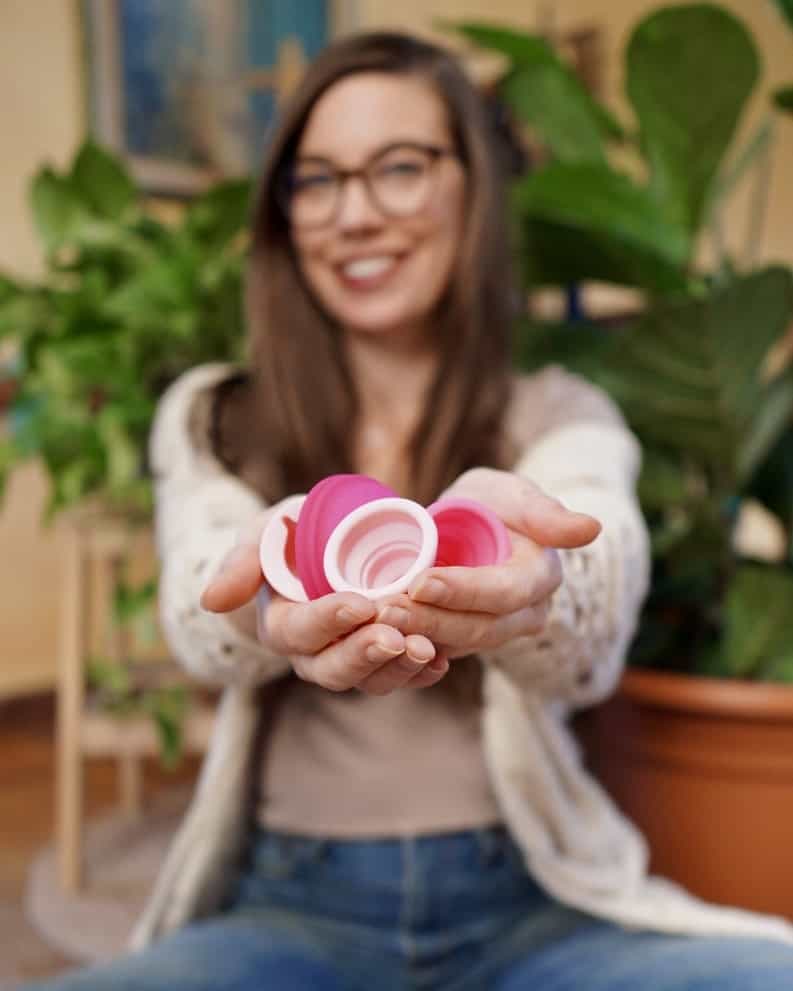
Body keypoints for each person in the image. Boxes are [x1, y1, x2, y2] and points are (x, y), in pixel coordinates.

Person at [29, 30, 793, 991]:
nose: (354, 214)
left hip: (532, 910)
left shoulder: (559, 412)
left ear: (470, 189)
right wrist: (264, 591)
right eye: (316, 180)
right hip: (290, 911)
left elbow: (596, 604)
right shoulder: (212, 415)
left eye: (398, 167)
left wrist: (535, 588)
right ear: (282, 212)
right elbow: (197, 602)